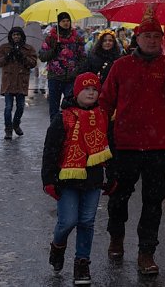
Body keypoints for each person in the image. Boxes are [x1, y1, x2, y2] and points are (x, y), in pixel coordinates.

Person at [99, 16, 165, 276]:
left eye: (157, 37)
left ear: (162, 41)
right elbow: (105, 101)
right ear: (137, 39)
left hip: (158, 146)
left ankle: (146, 252)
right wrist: (98, 134)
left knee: (153, 201)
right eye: (147, 37)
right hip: (126, 144)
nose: (153, 41)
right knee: (119, 196)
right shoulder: (121, 66)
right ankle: (116, 236)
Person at [42, 72, 113, 284]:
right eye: (86, 89)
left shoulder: (102, 116)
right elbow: (51, 150)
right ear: (76, 91)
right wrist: (48, 180)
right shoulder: (63, 118)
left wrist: (113, 175)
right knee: (68, 221)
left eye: (94, 89)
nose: (91, 93)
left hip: (92, 179)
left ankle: (82, 263)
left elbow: (111, 147)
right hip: (67, 179)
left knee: (87, 221)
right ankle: (58, 246)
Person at [39, 12, 86, 120]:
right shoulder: (51, 38)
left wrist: (77, 71)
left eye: (68, 21)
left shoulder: (77, 38)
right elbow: (42, 56)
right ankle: (54, 131)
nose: (66, 23)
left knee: (71, 106)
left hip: (71, 78)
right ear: (58, 23)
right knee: (54, 108)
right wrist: (54, 50)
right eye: (63, 21)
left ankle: (69, 131)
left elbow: (83, 57)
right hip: (55, 78)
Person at [0, 26, 38, 139]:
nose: (16, 37)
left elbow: (33, 63)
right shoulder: (4, 48)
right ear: (11, 36)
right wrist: (8, 56)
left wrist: (22, 56)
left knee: (20, 107)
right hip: (8, 82)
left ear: (22, 36)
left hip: (21, 82)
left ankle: (16, 124)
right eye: (14, 35)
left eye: (18, 34)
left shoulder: (28, 49)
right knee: (8, 107)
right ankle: (8, 130)